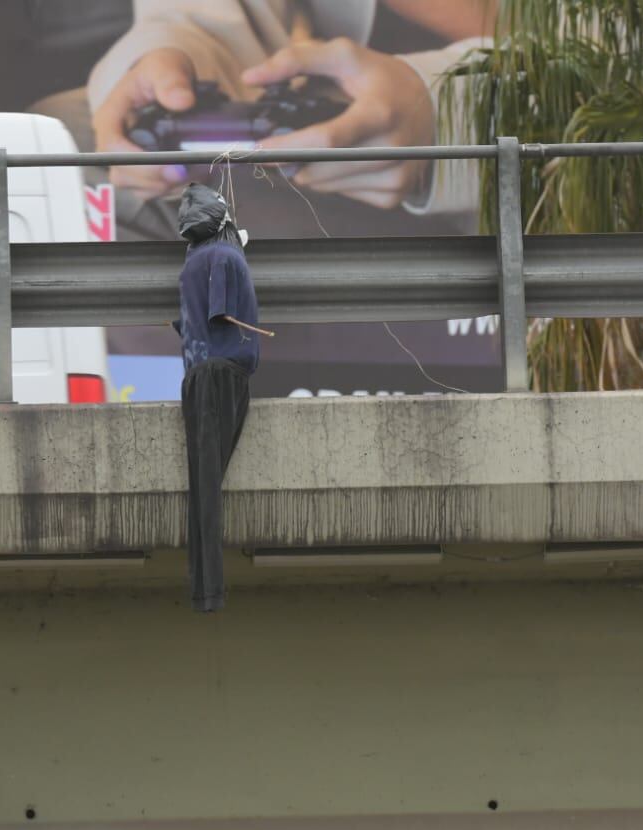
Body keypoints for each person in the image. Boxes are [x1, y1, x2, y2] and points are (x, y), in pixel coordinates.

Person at [87, 0, 494, 212]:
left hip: (518, 169)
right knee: (72, 148)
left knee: (95, 197)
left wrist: (445, 109)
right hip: (323, 146)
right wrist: (170, 54)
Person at [174, 183, 268, 613]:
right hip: (222, 375)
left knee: (202, 487)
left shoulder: (192, 262)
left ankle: (203, 587)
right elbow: (221, 311)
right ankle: (209, 591)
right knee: (209, 488)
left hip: (196, 376)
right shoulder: (225, 258)